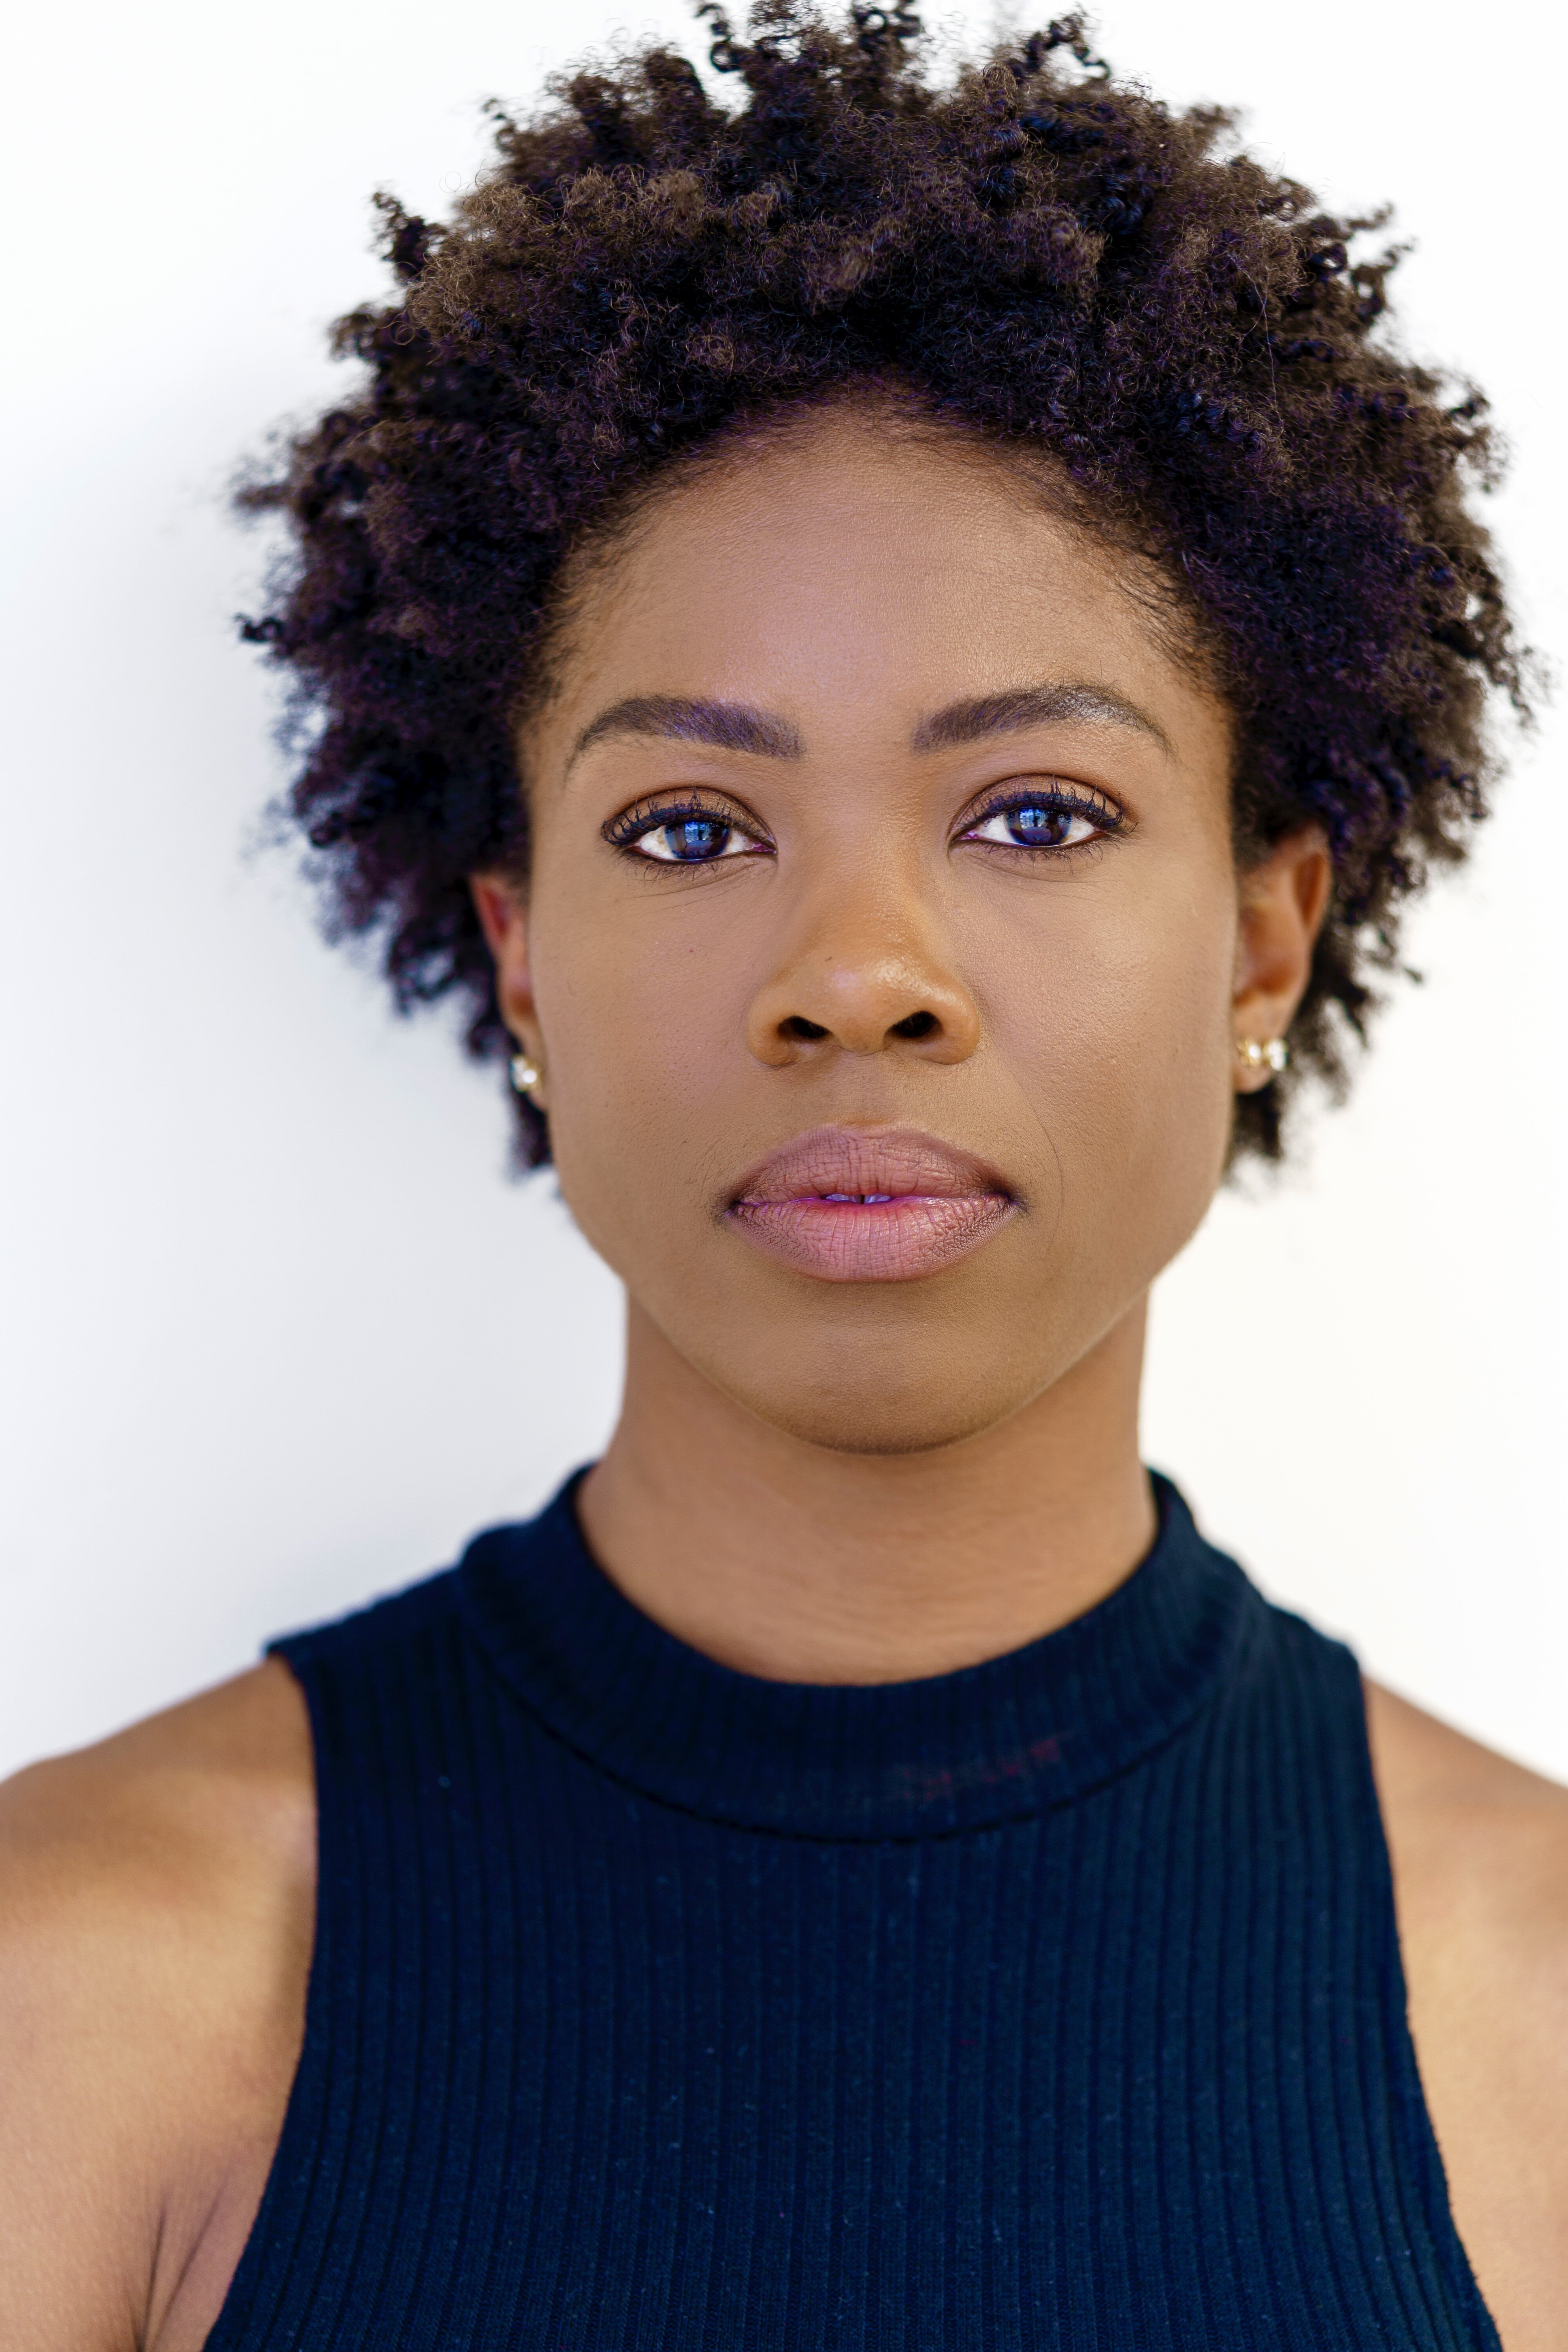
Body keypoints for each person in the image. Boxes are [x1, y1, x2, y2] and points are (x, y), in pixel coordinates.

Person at [1, 6, 1564, 2345]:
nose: (859, 978)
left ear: (1266, 936)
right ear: (519, 953)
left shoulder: (1542, 2016)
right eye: (688, 828)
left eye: (1035, 811)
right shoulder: (68, 1987)